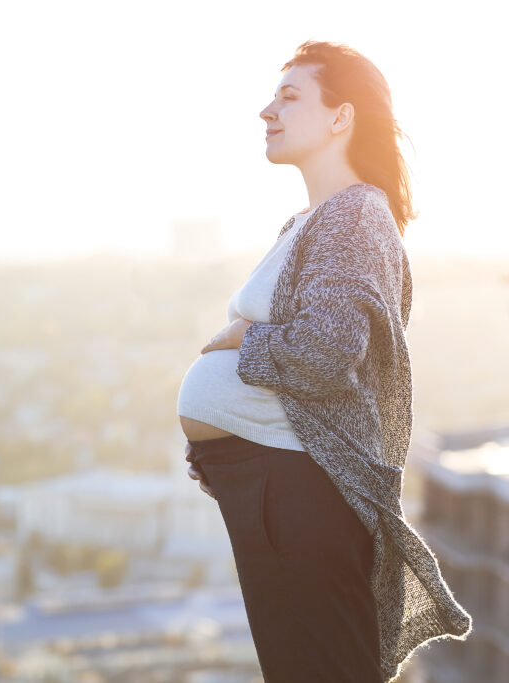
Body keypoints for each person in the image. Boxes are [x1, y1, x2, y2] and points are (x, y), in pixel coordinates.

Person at [175, 40, 472, 682]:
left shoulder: (356, 215)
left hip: (300, 493)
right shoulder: (317, 219)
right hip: (275, 487)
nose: (265, 111)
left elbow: (325, 354)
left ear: (341, 118)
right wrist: (223, 452)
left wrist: (239, 342)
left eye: (289, 96)